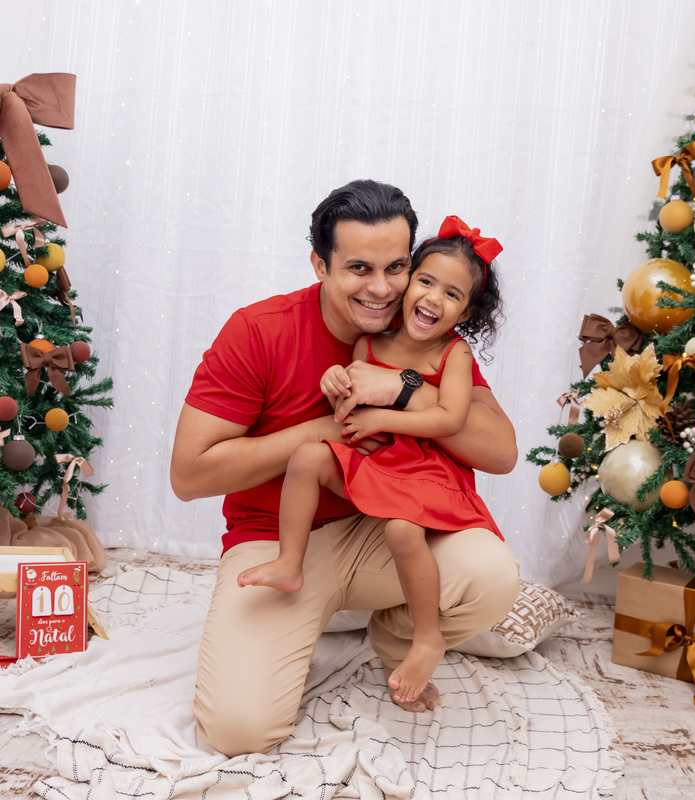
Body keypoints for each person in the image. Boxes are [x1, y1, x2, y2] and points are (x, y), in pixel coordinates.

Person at [170, 179, 520, 757]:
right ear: (320, 264)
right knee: (238, 730)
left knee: (492, 574)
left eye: (396, 267)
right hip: (280, 536)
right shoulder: (259, 330)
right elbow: (189, 475)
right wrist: (323, 431)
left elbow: (501, 452)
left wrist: (403, 389)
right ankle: (304, 612)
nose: (381, 289)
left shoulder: (428, 339)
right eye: (359, 268)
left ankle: (397, 636)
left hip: (388, 531)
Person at [236, 215, 506, 707]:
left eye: (452, 294)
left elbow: (449, 419)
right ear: (409, 283)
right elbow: (349, 400)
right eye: (426, 282)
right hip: (377, 460)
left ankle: (424, 636)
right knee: (307, 457)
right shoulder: (369, 342)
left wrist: (388, 409)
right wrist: (335, 383)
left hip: (419, 467)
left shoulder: (455, 355)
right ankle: (290, 563)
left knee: (402, 532)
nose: (433, 298)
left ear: (466, 312)